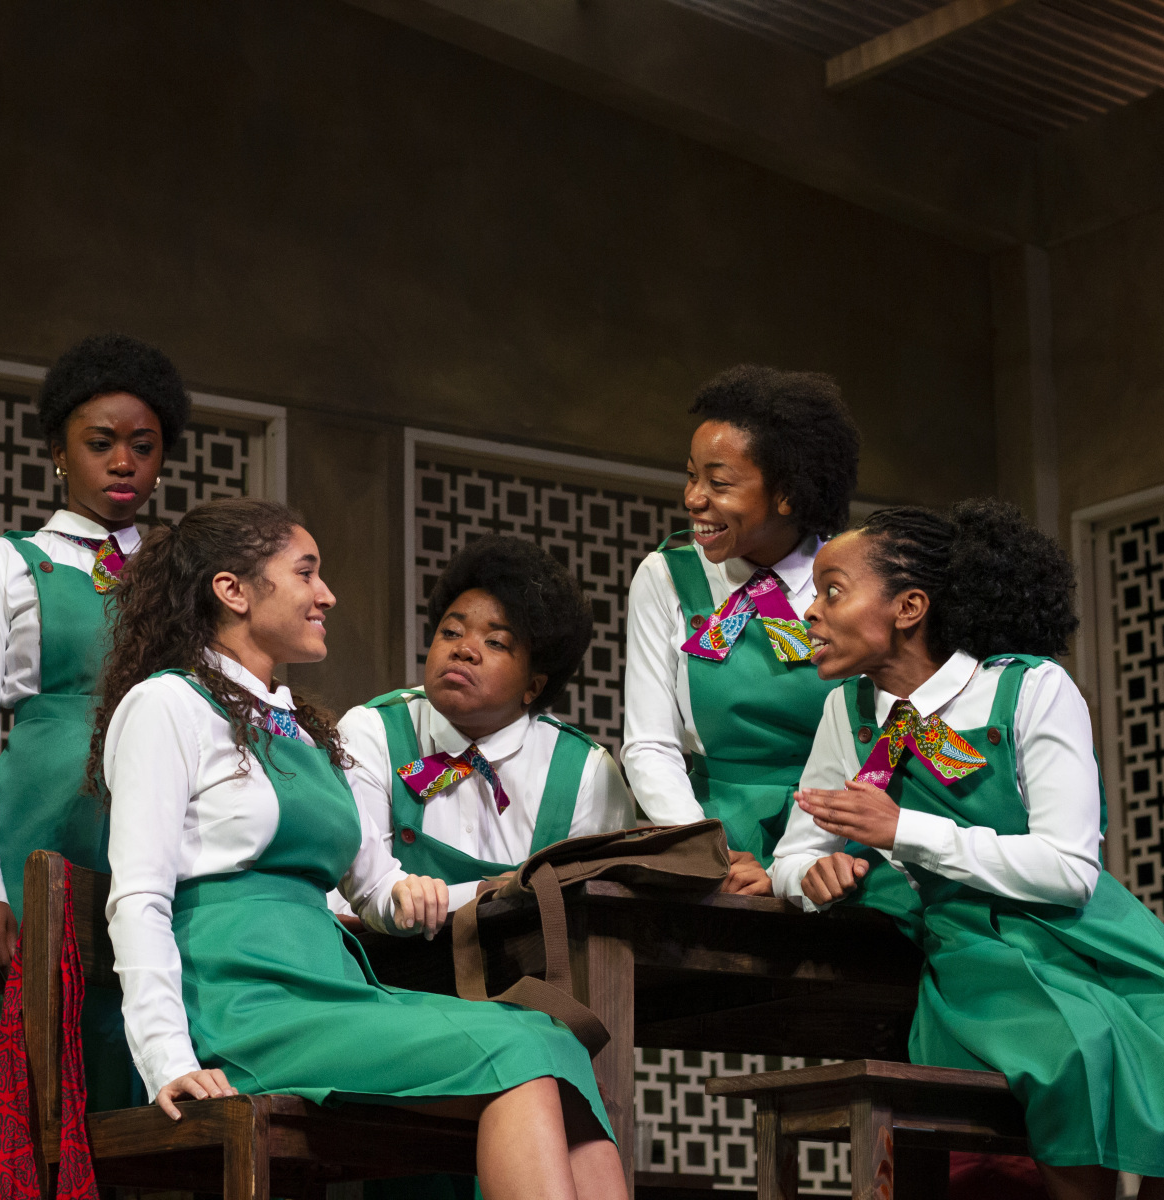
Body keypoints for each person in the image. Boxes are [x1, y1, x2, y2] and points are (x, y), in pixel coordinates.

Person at [91, 498, 625, 1200]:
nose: (326, 595)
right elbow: (137, 897)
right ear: (233, 591)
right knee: (520, 1050)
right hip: (240, 1004)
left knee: (552, 1042)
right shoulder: (168, 707)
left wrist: (406, 897)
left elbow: (374, 890)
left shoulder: (300, 728)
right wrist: (167, 1060)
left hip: (331, 989)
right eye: (306, 573)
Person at [770, 499, 1164, 1200]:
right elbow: (793, 856)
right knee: (1070, 1056)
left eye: (832, 592)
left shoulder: (1028, 688)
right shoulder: (848, 713)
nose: (809, 614)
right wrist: (813, 873)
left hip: (1094, 939)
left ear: (909, 606)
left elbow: (1071, 871)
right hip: (978, 955)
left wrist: (904, 831)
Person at [0, 334, 190, 1145]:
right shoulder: (5, 566)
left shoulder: (182, 579)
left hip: (149, 829)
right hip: (35, 831)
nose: (124, 463)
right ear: (57, 451)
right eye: (100, 442)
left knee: (131, 1084)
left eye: (143, 448)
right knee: (29, 1077)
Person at [621, 366, 860, 886]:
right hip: (716, 836)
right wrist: (706, 850)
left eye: (719, 483)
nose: (693, 499)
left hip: (842, 843)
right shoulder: (666, 577)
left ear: (788, 495)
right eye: (691, 476)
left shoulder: (857, 583)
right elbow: (650, 745)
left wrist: (803, 863)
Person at [342, 534, 637, 912]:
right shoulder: (373, 733)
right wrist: (486, 893)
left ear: (534, 685)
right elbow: (352, 897)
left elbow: (602, 913)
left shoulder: (584, 773)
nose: (463, 648)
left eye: (495, 642)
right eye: (451, 632)